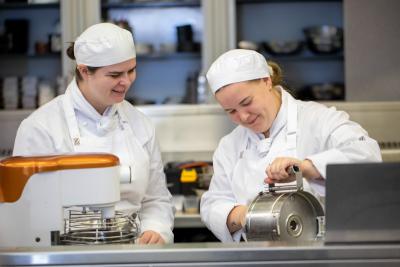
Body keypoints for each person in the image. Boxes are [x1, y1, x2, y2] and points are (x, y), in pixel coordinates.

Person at [13, 23, 174, 244]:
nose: (126, 81)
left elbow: (156, 199)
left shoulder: (140, 124)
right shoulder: (41, 128)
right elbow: (27, 213)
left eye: (131, 70)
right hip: (67, 254)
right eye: (115, 74)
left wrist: (156, 231)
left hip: (134, 252)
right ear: (84, 71)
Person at [200, 49, 382, 242]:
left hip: (321, 256)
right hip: (255, 257)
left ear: (266, 81)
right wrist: (247, 215)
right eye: (231, 111)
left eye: (247, 102)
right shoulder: (230, 145)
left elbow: (367, 154)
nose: (243, 116)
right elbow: (213, 203)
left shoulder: (318, 120)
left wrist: (307, 168)